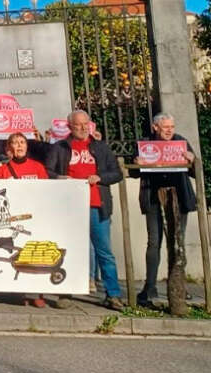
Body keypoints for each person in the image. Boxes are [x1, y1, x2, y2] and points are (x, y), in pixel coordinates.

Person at [45, 109, 124, 310]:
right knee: (68, 251)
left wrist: (100, 177)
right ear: (70, 127)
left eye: (85, 124)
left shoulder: (100, 147)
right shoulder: (60, 147)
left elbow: (117, 173)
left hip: (97, 205)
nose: (82, 128)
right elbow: (47, 171)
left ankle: (113, 294)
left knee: (104, 252)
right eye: (78, 124)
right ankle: (65, 292)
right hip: (70, 208)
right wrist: (60, 178)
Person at [129, 113, 197, 308]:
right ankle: (150, 287)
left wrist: (191, 160)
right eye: (165, 126)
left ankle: (178, 287)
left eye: (172, 126)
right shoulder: (144, 143)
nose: (169, 130)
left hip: (179, 197)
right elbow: (133, 172)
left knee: (178, 243)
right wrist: (137, 164)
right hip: (153, 198)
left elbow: (195, 170)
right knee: (154, 242)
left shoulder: (181, 141)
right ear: (155, 127)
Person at [0, 132, 49, 308]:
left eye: (22, 142)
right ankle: (22, 292)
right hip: (15, 218)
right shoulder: (3, 169)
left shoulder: (38, 167)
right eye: (15, 143)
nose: (18, 146)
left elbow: (48, 191)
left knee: (36, 253)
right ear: (9, 147)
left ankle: (38, 293)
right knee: (19, 253)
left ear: (27, 146)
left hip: (35, 215)